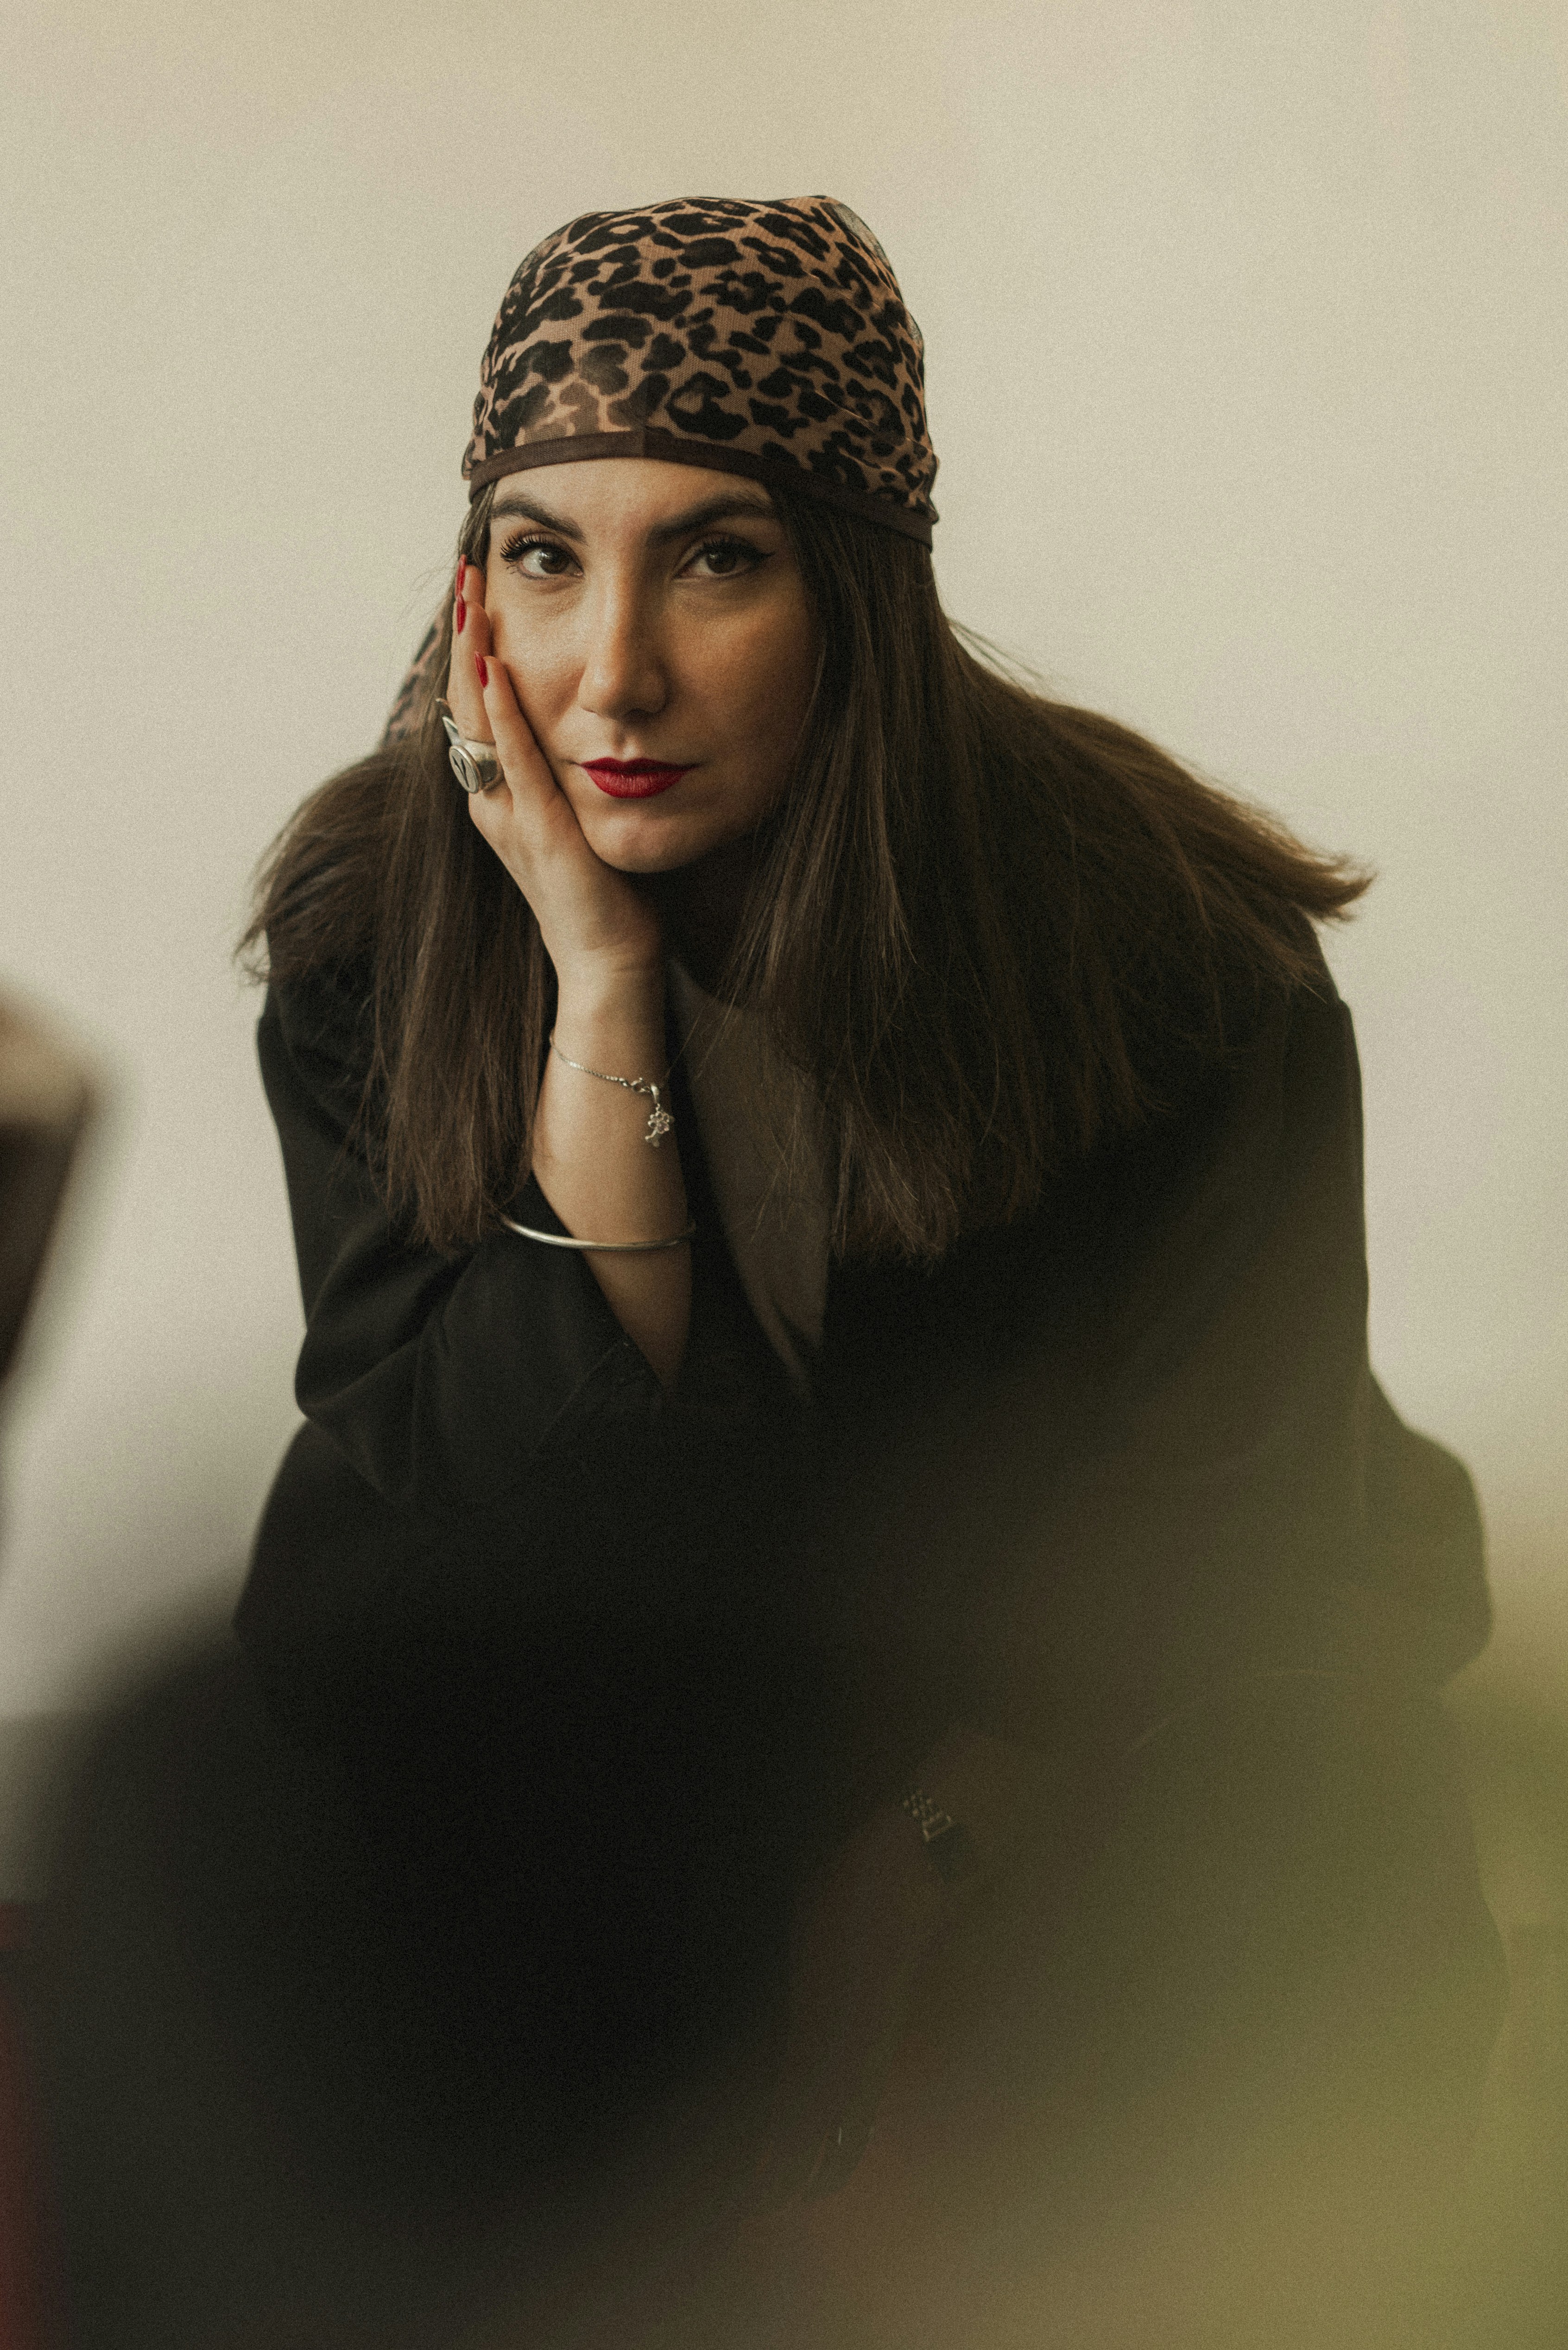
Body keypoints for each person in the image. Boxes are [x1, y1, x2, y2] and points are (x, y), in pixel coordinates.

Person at [231, 195, 1505, 2346]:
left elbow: (1230, 1549)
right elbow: (498, 1524)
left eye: (715, 555)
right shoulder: (385, 939)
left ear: (857, 586)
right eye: (544, 555)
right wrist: (601, 1002)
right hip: (556, 1743)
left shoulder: (1172, 964)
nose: (609, 666)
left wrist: (905, 1899)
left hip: (1104, 1764)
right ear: (475, 594)